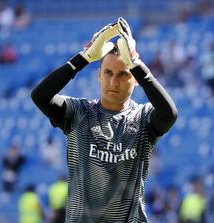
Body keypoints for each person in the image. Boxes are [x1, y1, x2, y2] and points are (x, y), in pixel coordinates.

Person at [31, 17, 178, 222]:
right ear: (98, 75)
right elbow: (40, 96)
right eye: (108, 73)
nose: (113, 81)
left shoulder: (143, 118)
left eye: (123, 74)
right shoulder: (79, 112)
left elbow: (169, 114)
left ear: (134, 80)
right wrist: (83, 57)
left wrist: (136, 64)